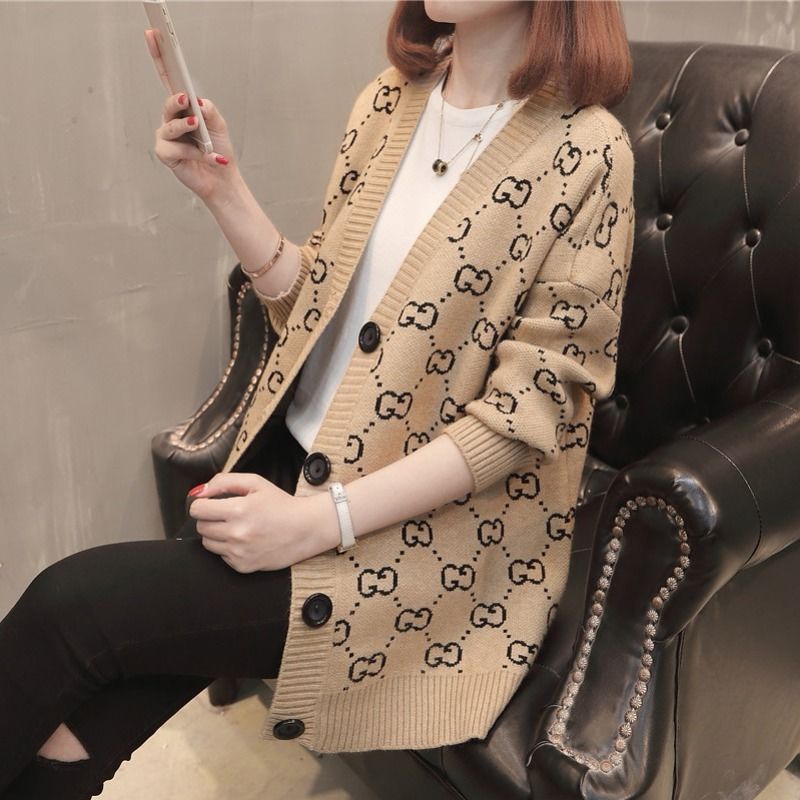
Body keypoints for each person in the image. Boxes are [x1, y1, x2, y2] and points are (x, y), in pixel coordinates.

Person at [0, 1, 636, 797]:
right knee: (69, 734)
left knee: (68, 609)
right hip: (290, 472)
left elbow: (526, 414)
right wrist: (222, 190)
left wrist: (319, 521)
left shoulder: (587, 151)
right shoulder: (388, 102)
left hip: (424, 542)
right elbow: (319, 308)